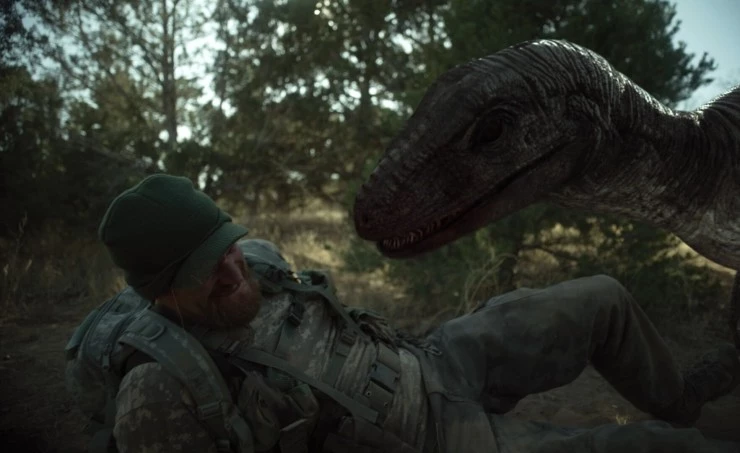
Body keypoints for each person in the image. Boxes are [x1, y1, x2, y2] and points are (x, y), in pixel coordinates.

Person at [83, 173, 740, 453]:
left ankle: (681, 399)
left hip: (430, 358)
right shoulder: (160, 391)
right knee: (654, 449)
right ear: (162, 291)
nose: (233, 271)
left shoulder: (255, 258)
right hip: (423, 438)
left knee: (602, 298)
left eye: (227, 246)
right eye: (206, 271)